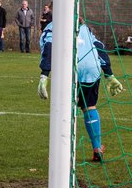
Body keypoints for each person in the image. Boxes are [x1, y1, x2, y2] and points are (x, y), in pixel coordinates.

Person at [38, 14, 124, 163]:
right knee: (89, 107)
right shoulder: (85, 29)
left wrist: (44, 75)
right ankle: (97, 149)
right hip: (91, 68)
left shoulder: (52, 28)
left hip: (69, 69)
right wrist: (109, 74)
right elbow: (99, 47)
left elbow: (49, 47)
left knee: (64, 108)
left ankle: (60, 153)